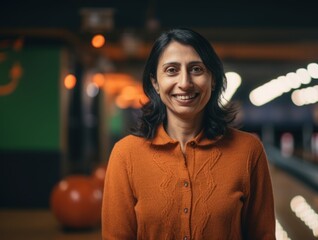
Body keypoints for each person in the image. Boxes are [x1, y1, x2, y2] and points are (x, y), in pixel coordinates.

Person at [102, 28, 276, 240]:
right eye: (171, 70)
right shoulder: (125, 154)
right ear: (155, 83)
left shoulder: (249, 151)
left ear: (213, 80)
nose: (185, 83)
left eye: (196, 69)